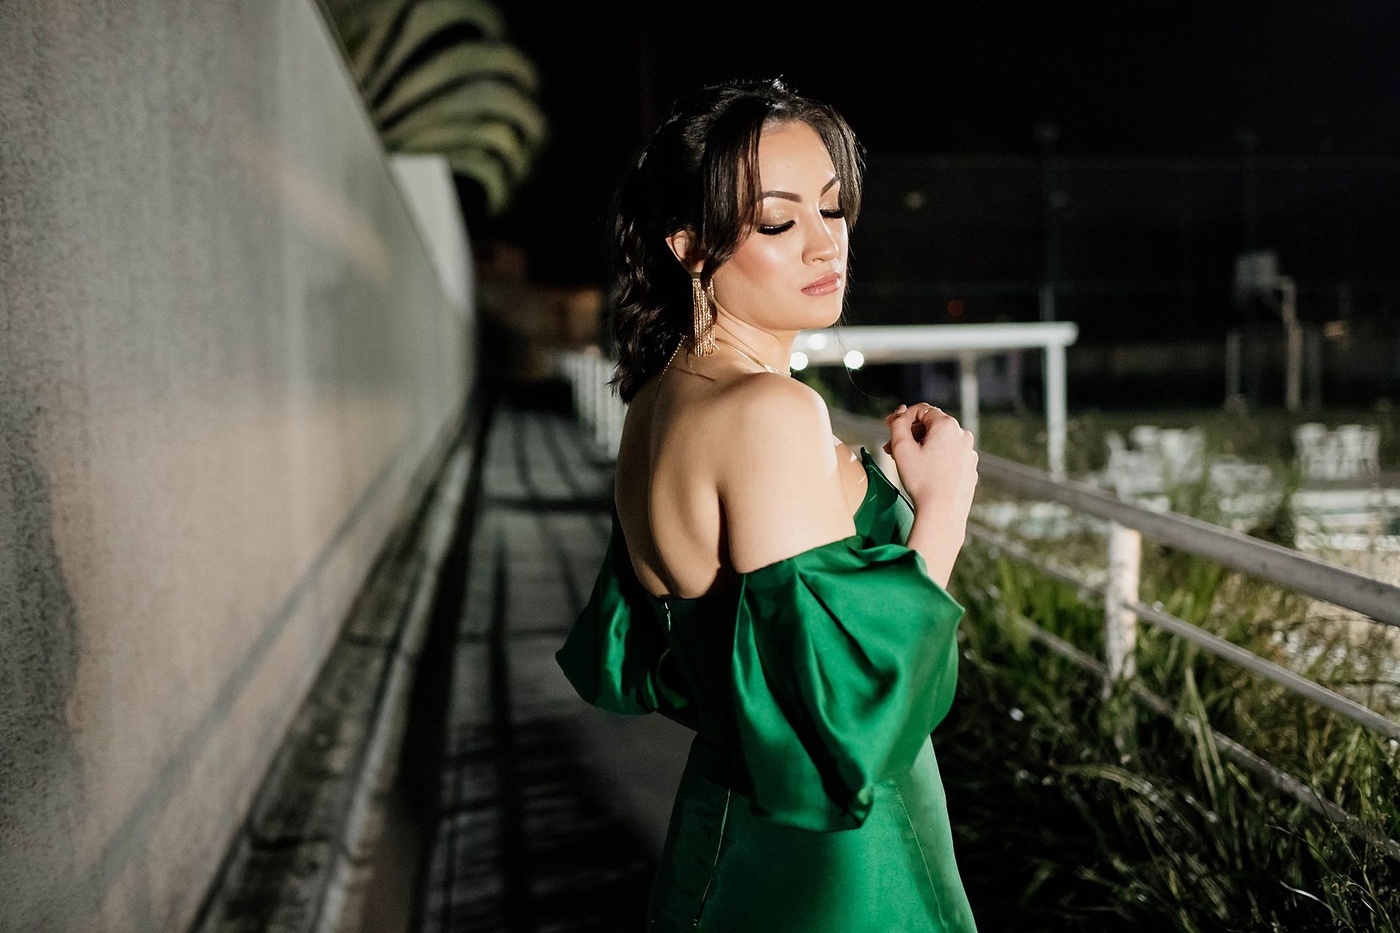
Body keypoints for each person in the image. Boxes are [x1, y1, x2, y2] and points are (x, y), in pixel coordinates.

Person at [555, 77, 980, 932]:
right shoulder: (771, 411)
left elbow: (686, 653)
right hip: (835, 866)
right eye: (780, 223)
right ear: (689, 246)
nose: (826, 245)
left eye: (833, 208)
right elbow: (846, 723)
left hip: (729, 830)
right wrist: (943, 506)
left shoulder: (658, 399)